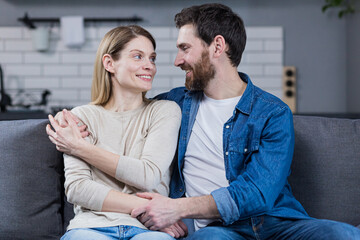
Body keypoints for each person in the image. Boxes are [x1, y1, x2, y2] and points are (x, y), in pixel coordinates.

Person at [50, 4, 360, 240]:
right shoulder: (175, 104)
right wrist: (73, 119)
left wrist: (177, 208)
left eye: (184, 48)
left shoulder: (272, 112)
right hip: (216, 229)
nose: (175, 61)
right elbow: (126, 106)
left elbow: (258, 193)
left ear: (217, 46)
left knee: (346, 235)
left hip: (276, 221)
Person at [46, 25, 187, 240]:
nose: (149, 66)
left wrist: (81, 148)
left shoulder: (164, 111)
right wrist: (151, 208)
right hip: (90, 227)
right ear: (109, 63)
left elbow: (148, 176)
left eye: (152, 58)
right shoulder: (82, 117)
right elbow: (77, 189)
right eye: (138, 57)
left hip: (148, 231)